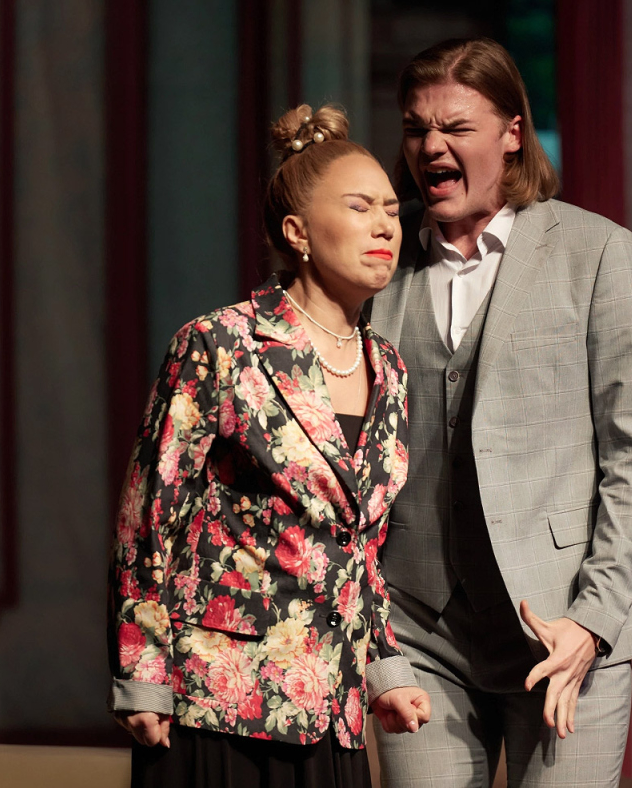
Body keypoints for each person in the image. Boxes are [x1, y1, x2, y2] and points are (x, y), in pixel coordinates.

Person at [368, 38, 632, 786]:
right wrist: (377, 644)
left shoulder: (596, 252)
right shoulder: (382, 262)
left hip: (561, 626)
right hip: (419, 632)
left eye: (455, 128)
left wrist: (594, 621)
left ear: (511, 133)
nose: (430, 146)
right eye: (416, 129)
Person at [109, 104, 431, 788]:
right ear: (297, 232)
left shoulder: (391, 369)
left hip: (332, 708)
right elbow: (147, 519)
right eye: (359, 207)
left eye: (391, 210)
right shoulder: (221, 343)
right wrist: (142, 672)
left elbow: (361, 548)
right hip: (216, 701)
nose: (385, 225)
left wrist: (385, 670)